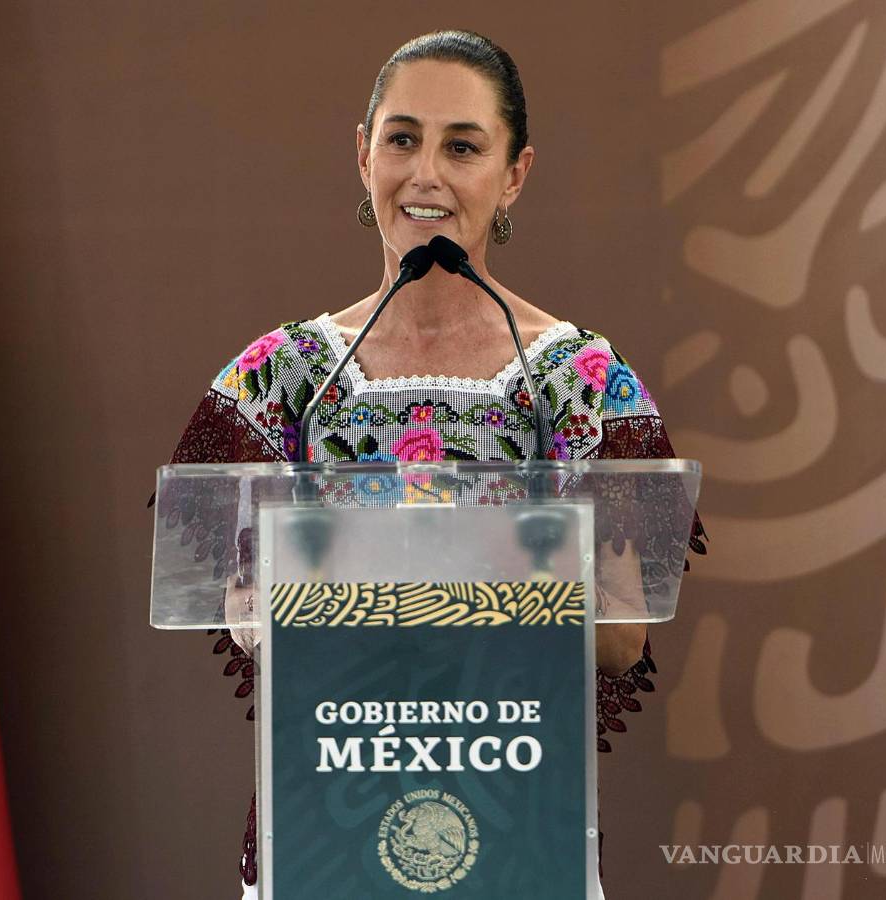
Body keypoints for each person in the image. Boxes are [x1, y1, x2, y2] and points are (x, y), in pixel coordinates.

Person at [166, 30, 708, 899]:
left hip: (522, 831)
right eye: (402, 139)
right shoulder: (284, 375)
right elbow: (239, 613)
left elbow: (621, 638)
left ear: (515, 174)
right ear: (362, 153)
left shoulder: (580, 380)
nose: (426, 174)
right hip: (322, 828)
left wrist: (478, 566)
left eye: (463, 147)